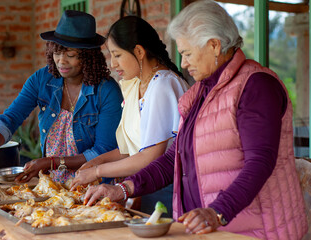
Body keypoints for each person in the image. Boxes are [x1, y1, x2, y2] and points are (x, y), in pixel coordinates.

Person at [82, 1, 308, 239]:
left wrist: (217, 212)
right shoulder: (199, 93)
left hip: (255, 231)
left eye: (187, 53)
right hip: (209, 229)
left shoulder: (256, 86)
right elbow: (174, 158)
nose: (184, 64)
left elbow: (260, 162)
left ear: (213, 45)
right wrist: (123, 188)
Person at [0, 10, 123, 184]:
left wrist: (51, 162)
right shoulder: (41, 80)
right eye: (57, 53)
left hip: (94, 185)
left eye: (70, 55)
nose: (61, 61)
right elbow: (10, 118)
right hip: (52, 184)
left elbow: (102, 151)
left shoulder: (107, 91)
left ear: (88, 57)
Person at [69, 16, 189, 215]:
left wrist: (98, 171)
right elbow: (132, 149)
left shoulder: (162, 85)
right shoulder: (137, 85)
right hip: (145, 184)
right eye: (111, 55)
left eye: (117, 55)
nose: (113, 63)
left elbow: (150, 157)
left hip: (167, 187)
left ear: (139, 52)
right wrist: (97, 161)